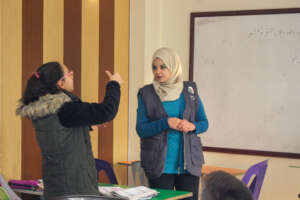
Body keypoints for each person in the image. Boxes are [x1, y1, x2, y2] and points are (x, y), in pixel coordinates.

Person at [16, 62, 122, 200]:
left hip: (55, 188)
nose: (72, 74)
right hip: (75, 190)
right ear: (60, 83)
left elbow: (58, 132)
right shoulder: (66, 107)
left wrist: (89, 126)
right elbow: (107, 111)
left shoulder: (43, 108)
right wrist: (114, 84)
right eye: (68, 73)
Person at [136, 47, 209, 200]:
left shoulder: (190, 90)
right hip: (159, 166)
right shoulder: (146, 93)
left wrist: (193, 126)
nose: (158, 72)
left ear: (174, 67)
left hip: (189, 166)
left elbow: (204, 122)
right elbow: (141, 129)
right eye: (154, 67)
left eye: (163, 67)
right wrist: (165, 122)